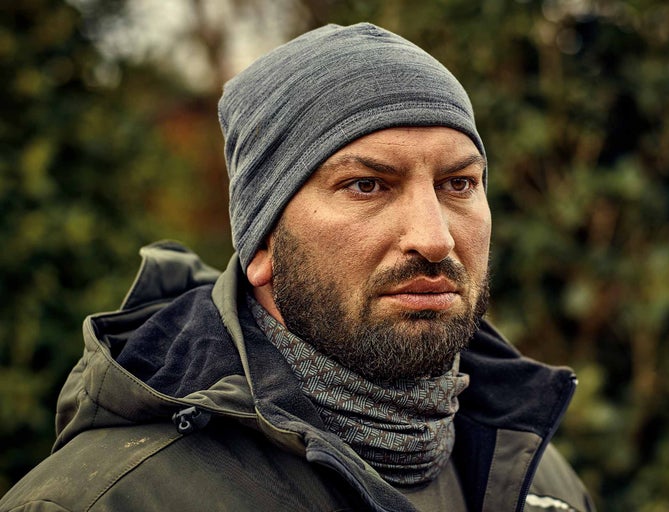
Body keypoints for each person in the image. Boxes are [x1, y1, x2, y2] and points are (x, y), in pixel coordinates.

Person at [1, 23, 594, 512]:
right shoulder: (110, 500)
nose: (435, 238)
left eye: (458, 183)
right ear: (262, 246)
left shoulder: (534, 477)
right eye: (367, 185)